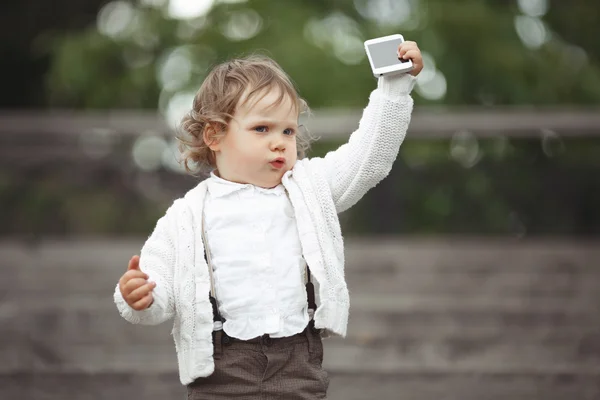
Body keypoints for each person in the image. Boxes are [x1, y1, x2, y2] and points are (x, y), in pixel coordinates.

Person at [115, 40, 423, 399]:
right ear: (214, 135)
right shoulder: (185, 215)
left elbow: (368, 158)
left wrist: (395, 86)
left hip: (297, 360)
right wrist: (141, 297)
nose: (279, 142)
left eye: (288, 131)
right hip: (221, 368)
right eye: (262, 129)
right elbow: (161, 286)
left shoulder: (308, 189)